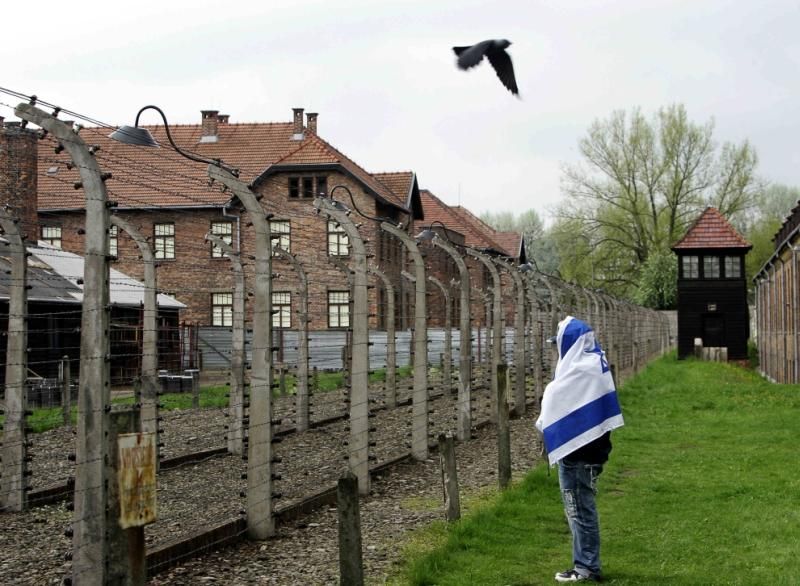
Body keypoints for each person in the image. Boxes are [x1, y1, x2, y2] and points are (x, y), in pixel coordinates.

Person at [535, 316, 624, 583]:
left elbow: (557, 399)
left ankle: (586, 567)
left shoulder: (581, 371)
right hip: (589, 452)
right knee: (580, 507)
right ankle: (586, 563)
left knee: (579, 509)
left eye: (558, 344)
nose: (556, 351)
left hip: (579, 455)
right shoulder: (593, 364)